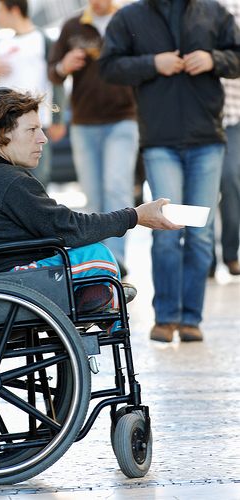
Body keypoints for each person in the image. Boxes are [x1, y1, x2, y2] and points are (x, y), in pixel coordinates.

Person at [0, 86, 182, 319]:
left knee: (89, 258)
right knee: (98, 255)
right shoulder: (9, 182)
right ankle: (104, 306)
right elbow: (69, 228)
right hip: (7, 286)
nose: (42, 138)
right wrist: (135, 216)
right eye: (31, 130)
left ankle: (98, 300)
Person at [98, 0, 240, 342]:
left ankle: (191, 319)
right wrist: (152, 63)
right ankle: (165, 317)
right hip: (160, 141)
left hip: (207, 138)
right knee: (165, 227)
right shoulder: (130, 16)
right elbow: (108, 67)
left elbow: (236, 58)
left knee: (200, 232)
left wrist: (213, 59)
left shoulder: (214, 12)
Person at [47, 0, 138, 278]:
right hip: (84, 122)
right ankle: (101, 259)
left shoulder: (129, 20)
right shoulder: (72, 25)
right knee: (93, 195)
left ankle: (117, 260)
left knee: (117, 185)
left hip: (124, 117)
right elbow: (53, 72)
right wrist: (64, 66)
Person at [0, 0, 66, 187]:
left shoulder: (42, 39)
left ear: (14, 10)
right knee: (6, 181)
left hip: (37, 123)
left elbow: (56, 80)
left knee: (37, 181)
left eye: (0, 11)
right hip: (4, 125)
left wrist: (58, 119)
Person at [218, 0, 240, 276]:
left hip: (234, 113)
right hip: (198, 116)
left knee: (231, 179)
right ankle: (207, 261)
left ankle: (230, 251)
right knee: (204, 189)